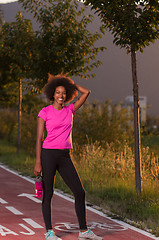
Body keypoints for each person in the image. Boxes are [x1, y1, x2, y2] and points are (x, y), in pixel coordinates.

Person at [34, 74, 103, 240]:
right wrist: (38, 162)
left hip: (65, 156)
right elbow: (39, 138)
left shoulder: (70, 110)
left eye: (64, 93)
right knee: (48, 193)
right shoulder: (45, 112)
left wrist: (71, 85)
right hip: (48, 155)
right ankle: (49, 232)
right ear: (52, 93)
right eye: (57, 92)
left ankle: (83, 231)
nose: (61, 96)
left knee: (80, 192)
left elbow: (86, 93)